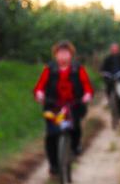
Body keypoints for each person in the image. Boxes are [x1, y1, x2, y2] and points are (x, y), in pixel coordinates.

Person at [33, 40, 93, 174]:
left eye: (66, 53)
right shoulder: (49, 69)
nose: (63, 56)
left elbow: (86, 85)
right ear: (55, 55)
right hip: (53, 105)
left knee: (75, 127)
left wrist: (87, 95)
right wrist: (39, 94)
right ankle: (54, 165)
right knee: (51, 136)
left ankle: (75, 146)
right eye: (60, 53)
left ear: (71, 55)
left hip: (73, 104)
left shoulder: (78, 68)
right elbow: (40, 86)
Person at [100, 43, 120, 119]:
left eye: (116, 49)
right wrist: (103, 73)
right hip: (110, 80)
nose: (114, 51)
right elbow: (103, 68)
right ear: (111, 50)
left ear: (118, 49)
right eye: (113, 49)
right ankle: (109, 101)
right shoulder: (107, 59)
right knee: (108, 89)